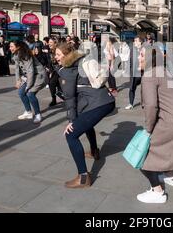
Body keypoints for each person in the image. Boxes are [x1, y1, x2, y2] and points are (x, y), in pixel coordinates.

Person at [137, 47, 173, 204]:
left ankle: (157, 192)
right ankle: (169, 176)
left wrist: (148, 130)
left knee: (144, 153)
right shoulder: (161, 69)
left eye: (141, 55)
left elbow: (150, 106)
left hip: (172, 119)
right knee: (167, 147)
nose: (138, 58)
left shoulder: (149, 75)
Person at [56, 42, 115, 188]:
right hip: (104, 100)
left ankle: (83, 177)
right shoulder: (79, 61)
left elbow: (70, 98)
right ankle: (94, 151)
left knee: (71, 135)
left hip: (98, 103)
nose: (55, 57)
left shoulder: (68, 69)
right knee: (86, 123)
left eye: (58, 54)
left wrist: (71, 121)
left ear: (66, 54)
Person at [10, 40, 48, 123]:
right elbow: (17, 69)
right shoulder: (16, 55)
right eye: (10, 46)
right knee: (21, 92)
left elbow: (30, 71)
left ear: (18, 47)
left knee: (30, 93)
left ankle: (38, 115)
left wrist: (28, 86)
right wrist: (18, 80)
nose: (10, 48)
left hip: (39, 76)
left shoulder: (26, 55)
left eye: (12, 46)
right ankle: (28, 112)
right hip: (30, 76)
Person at [125, 37, 145, 110]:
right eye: (134, 41)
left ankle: (144, 103)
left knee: (144, 88)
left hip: (143, 73)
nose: (134, 42)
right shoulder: (132, 50)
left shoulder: (144, 49)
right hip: (134, 73)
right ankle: (131, 103)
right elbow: (130, 60)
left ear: (140, 42)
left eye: (136, 41)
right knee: (132, 88)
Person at [46, 38, 64, 107]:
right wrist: (50, 71)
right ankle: (54, 99)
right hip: (54, 70)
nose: (49, 44)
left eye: (51, 42)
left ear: (55, 43)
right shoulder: (49, 52)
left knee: (54, 83)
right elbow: (49, 63)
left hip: (60, 69)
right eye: (49, 42)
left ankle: (60, 96)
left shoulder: (58, 50)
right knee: (52, 83)